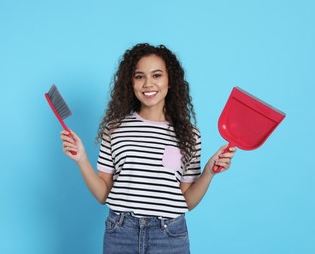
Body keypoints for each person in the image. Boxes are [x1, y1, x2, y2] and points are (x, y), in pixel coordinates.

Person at [60, 43, 236, 254]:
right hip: (120, 232)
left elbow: (187, 201)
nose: (148, 84)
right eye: (139, 76)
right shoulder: (115, 129)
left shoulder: (189, 135)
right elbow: (103, 194)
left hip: (169, 235)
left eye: (157, 75)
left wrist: (208, 173)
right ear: (130, 83)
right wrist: (82, 160)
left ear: (170, 81)